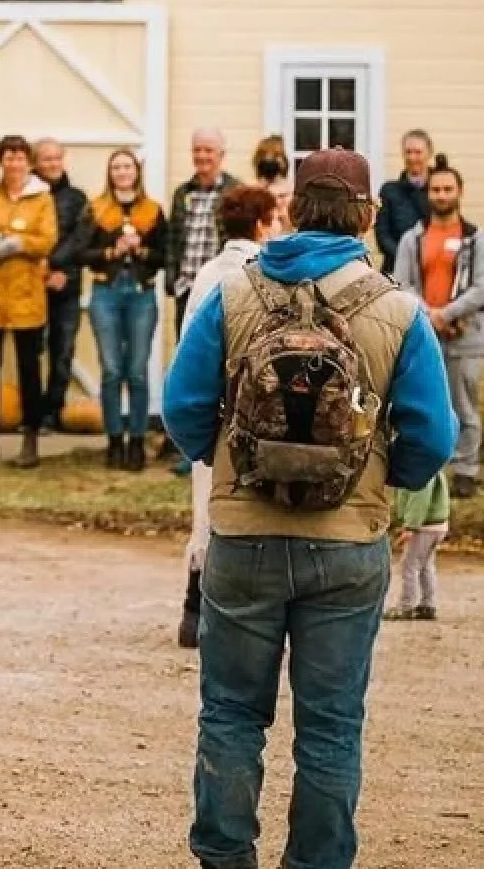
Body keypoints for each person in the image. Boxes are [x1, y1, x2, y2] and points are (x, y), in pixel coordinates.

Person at [163, 148, 456, 869]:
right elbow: (432, 438)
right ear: (367, 216)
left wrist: (226, 462)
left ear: (291, 208)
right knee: (330, 726)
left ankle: (226, 858)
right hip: (349, 542)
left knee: (232, 714)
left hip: (243, 536)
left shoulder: (234, 293)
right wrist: (381, 482)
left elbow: (182, 408)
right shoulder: (397, 308)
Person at [176, 181, 279, 648]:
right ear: (261, 224)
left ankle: (193, 607)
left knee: (206, 505)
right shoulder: (262, 275)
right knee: (248, 507)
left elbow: (187, 345)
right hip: (251, 406)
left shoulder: (206, 273)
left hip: (210, 403)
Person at [0, 134, 58, 469]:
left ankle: (29, 438)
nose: (14, 163)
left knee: (29, 371)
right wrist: (0, 247)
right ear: (0, 160)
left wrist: (10, 242)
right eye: (8, 157)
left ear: (28, 162)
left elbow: (46, 241)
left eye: (20, 157)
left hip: (26, 298)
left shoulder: (42, 199)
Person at [393, 156, 483, 498]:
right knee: (428, 401)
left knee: (465, 405)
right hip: (426, 334)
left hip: (467, 335)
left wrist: (448, 313)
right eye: (436, 189)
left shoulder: (477, 239)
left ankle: (466, 470)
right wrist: (431, 314)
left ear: (460, 192)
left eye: (448, 189)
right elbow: (402, 284)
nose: (442, 195)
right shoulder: (412, 239)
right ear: (428, 193)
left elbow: (481, 286)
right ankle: (433, 471)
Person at [79, 149, 168, 472]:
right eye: (116, 167)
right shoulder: (97, 209)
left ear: (136, 171)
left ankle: (136, 441)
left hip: (141, 294)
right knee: (112, 370)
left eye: (127, 166)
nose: (122, 171)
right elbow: (82, 253)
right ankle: (114, 440)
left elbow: (163, 255)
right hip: (106, 292)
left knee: (137, 372)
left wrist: (141, 250)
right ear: (110, 172)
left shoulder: (152, 211)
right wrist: (110, 250)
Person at [33, 138, 89, 432]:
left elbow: (79, 240)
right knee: (31, 352)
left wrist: (55, 268)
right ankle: (31, 414)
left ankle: (52, 414)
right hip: (31, 286)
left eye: (57, 158)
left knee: (62, 352)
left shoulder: (77, 199)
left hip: (66, 285)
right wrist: (41, 270)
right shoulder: (27, 196)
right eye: (46, 159)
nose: (53, 164)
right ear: (35, 163)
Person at [167, 129, 241, 336]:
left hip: (221, 288)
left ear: (221, 155)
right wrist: (171, 279)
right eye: (197, 150)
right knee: (185, 351)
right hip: (186, 289)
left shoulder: (235, 191)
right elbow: (172, 238)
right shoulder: (182, 192)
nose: (201, 156)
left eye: (208, 150)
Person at [384, 467, 449, 622]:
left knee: (409, 565)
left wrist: (411, 526)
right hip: (437, 525)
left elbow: (419, 499)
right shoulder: (432, 466)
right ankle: (428, 604)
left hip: (424, 526)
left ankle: (406, 607)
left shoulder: (420, 472)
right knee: (426, 565)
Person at [375, 128, 434, 276]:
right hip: (396, 270)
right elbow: (383, 235)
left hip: (434, 269)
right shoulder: (389, 190)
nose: (412, 157)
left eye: (418, 152)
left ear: (429, 153)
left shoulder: (440, 190)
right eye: (408, 152)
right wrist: (407, 260)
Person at [251, 134, 292, 233]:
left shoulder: (291, 190)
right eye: (265, 156)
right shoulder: (253, 192)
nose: (270, 161)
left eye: (276, 155)